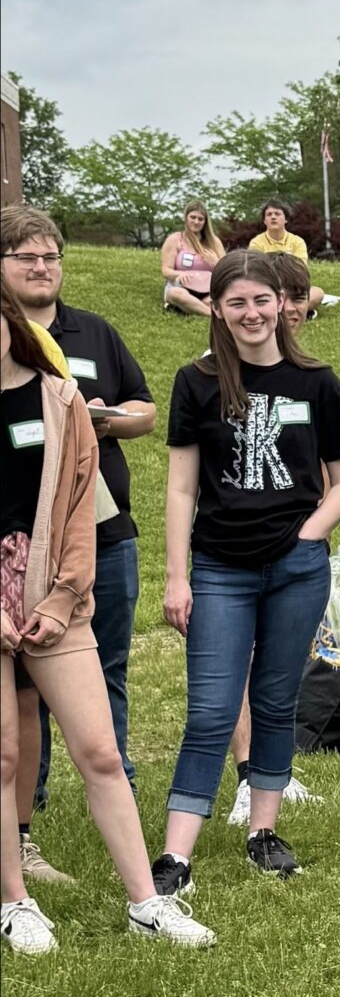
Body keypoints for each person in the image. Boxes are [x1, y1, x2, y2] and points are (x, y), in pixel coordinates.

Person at [0, 280, 214, 952]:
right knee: (3, 755)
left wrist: (64, 597)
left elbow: (80, 509)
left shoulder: (58, 398)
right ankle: (14, 903)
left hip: (54, 596)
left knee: (99, 749)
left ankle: (146, 903)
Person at [155, 250, 340, 898]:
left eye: (261, 300)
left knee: (274, 702)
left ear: (283, 304)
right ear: (216, 308)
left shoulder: (316, 380)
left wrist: (308, 534)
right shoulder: (197, 381)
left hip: (296, 569)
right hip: (219, 569)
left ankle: (263, 833)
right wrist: (177, 576)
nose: (251, 313)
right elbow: (181, 489)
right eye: (236, 302)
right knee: (212, 710)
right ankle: (174, 858)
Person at [1, 205, 156, 823]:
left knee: (107, 661)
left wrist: (100, 418)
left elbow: (144, 410)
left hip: (105, 529)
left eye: (50, 257)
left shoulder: (94, 332)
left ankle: (113, 779)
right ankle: (26, 811)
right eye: (26, 257)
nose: (42, 267)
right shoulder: (7, 344)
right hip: (25, 543)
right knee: (25, 684)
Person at [225, 251, 325, 826]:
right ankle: (246, 777)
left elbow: (331, 462)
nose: (288, 313)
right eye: (277, 300)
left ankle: (272, 774)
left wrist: (314, 532)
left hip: (298, 546)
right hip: (236, 550)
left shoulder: (310, 376)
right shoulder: (219, 374)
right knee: (241, 660)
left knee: (279, 666)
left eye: (295, 304)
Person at [248, 201, 324, 311]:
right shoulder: (256, 243)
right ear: (264, 221)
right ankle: (295, 311)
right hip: (267, 288)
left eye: (277, 214)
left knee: (317, 293)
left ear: (286, 219)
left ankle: (279, 311)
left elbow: (301, 268)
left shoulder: (297, 241)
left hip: (292, 287)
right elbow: (257, 270)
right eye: (269, 214)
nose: (273, 217)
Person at [161, 200, 225, 317]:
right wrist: (178, 275)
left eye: (200, 219)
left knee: (215, 301)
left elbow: (227, 271)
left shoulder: (214, 242)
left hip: (207, 288)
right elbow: (166, 270)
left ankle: (185, 308)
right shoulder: (175, 239)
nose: (196, 222)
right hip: (181, 287)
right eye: (193, 217)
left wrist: (216, 262)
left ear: (205, 222)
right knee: (176, 294)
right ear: (186, 218)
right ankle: (215, 316)